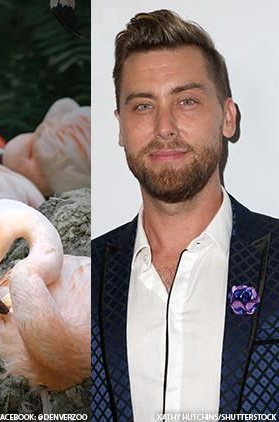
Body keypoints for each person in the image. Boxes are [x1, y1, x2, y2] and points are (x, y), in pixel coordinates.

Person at [91, 9, 279, 420]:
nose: (164, 127)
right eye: (143, 106)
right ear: (120, 128)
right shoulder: (86, 273)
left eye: (187, 101)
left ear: (228, 117)